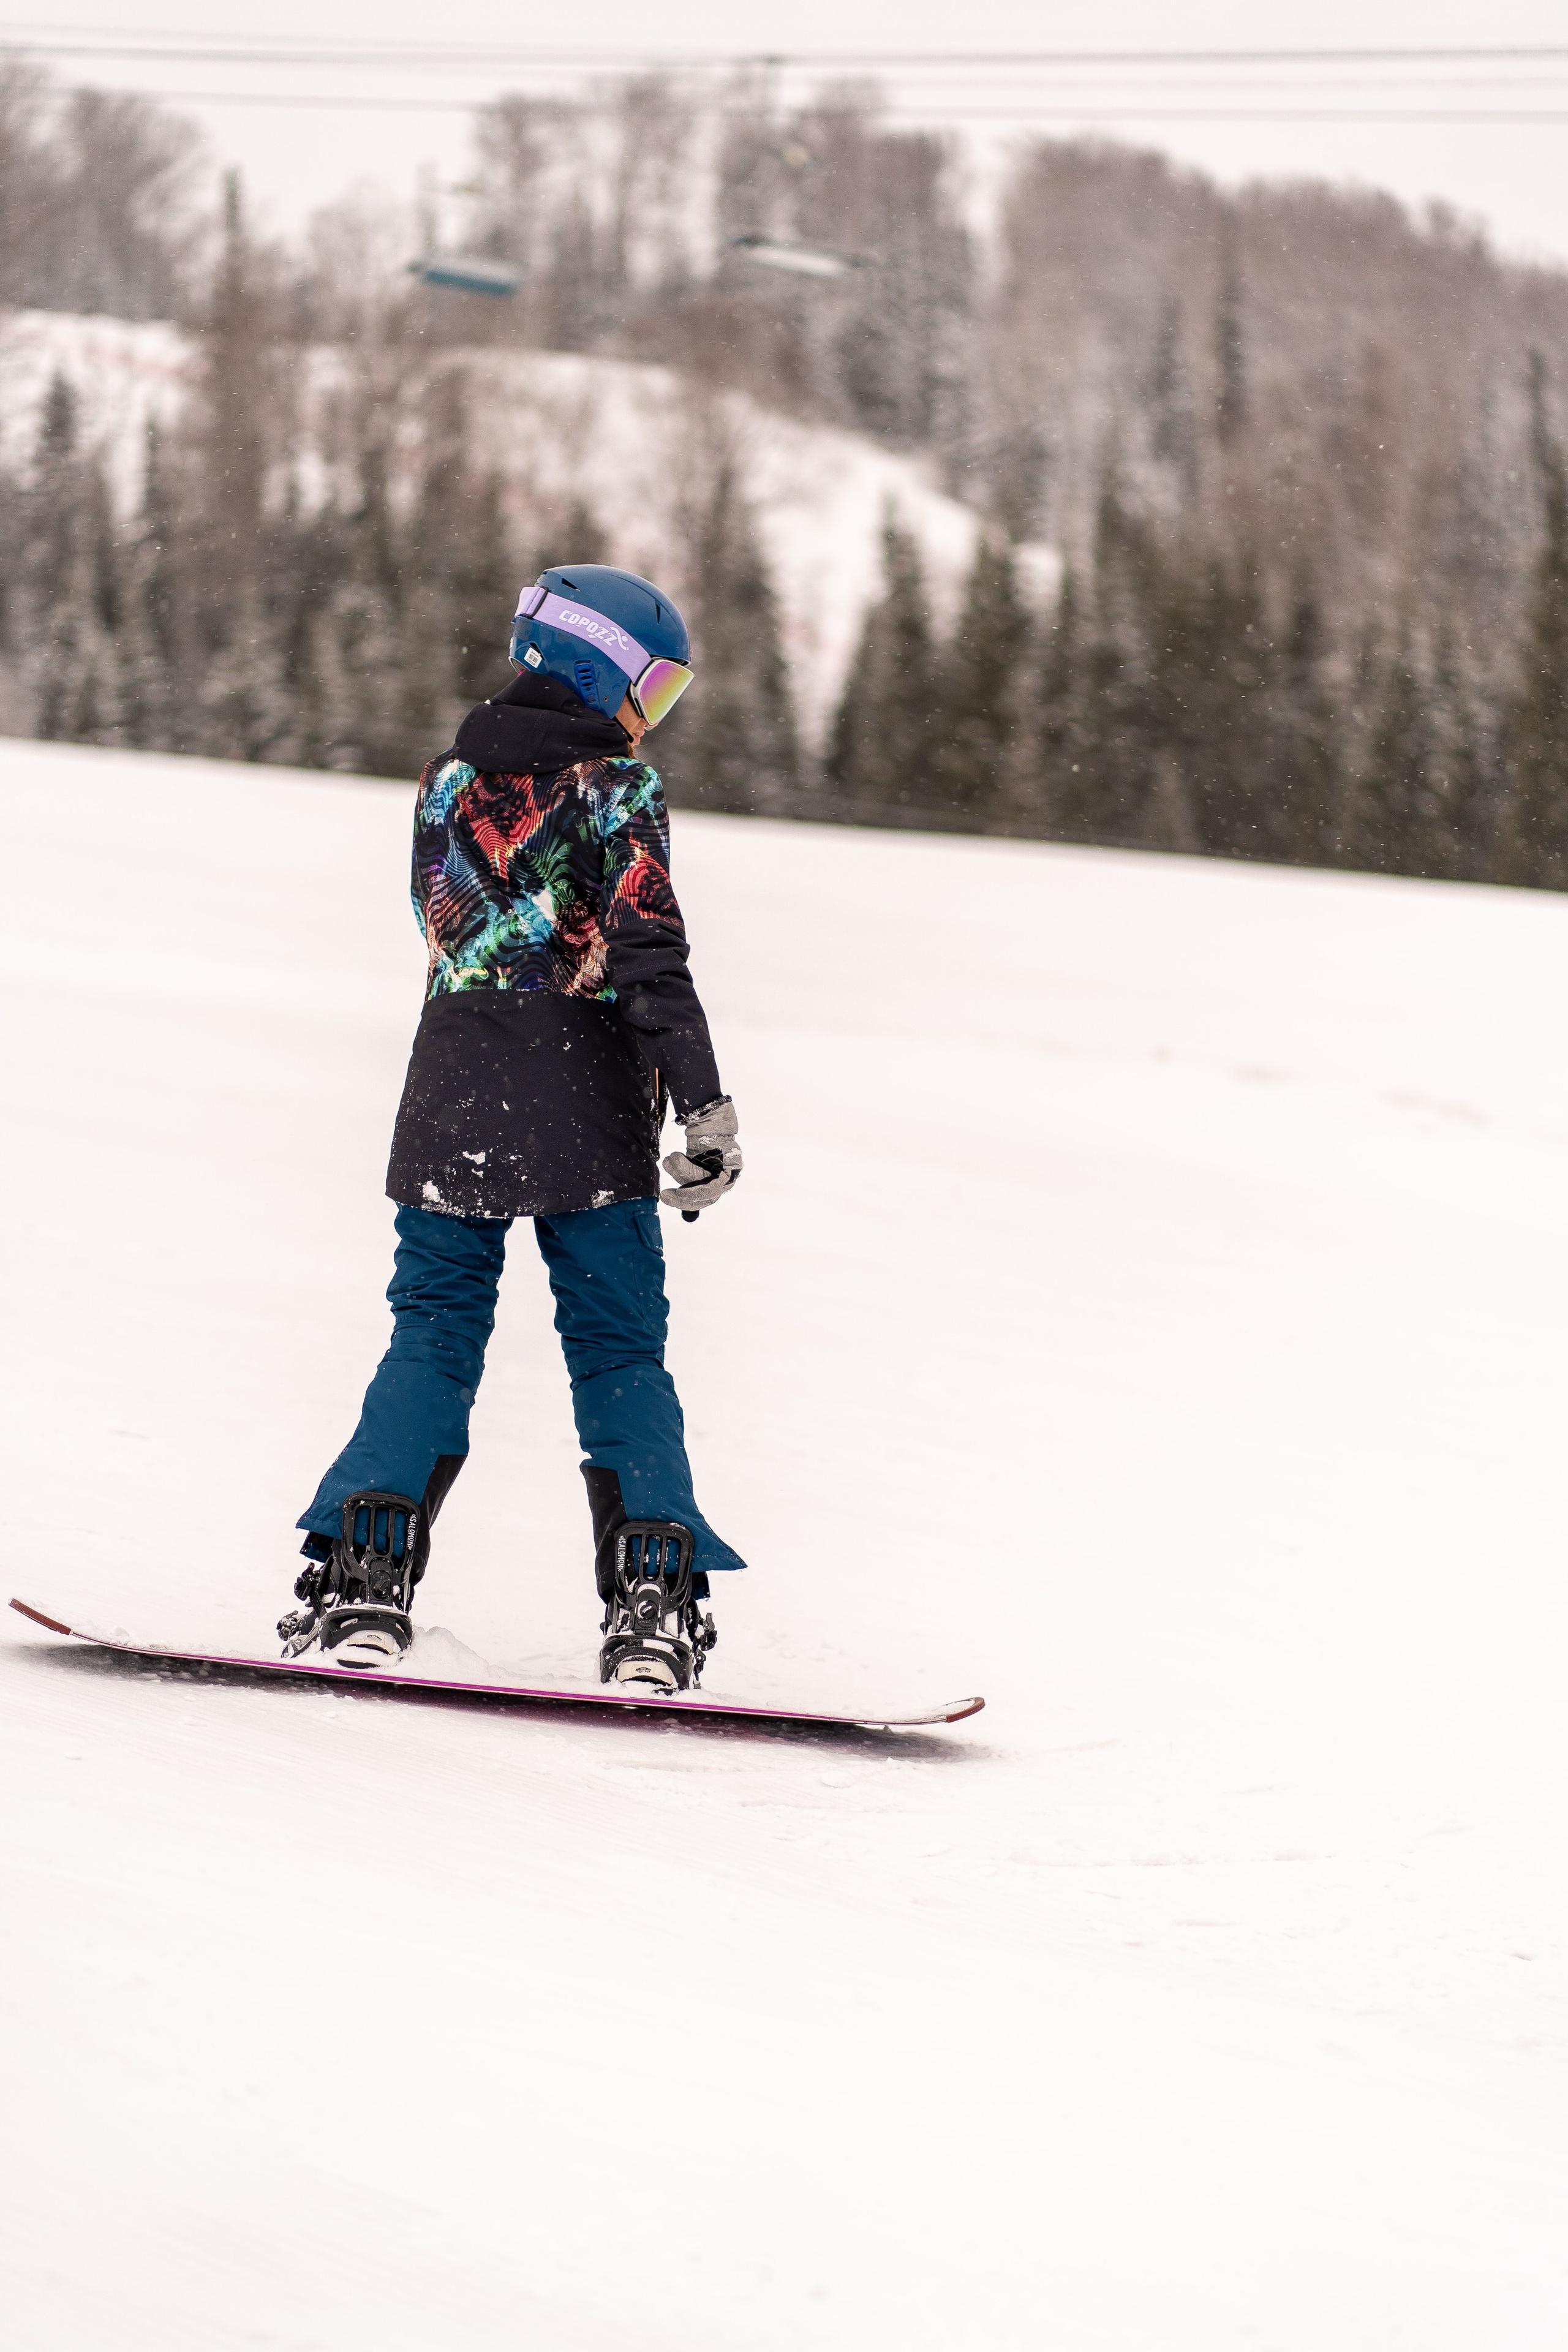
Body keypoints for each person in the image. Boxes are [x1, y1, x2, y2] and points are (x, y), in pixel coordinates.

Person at [277, 564, 745, 1691]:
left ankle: (362, 1583)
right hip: (586, 1095)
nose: (652, 711)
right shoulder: (616, 786)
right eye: (653, 685)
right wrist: (704, 1104)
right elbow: (647, 954)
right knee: (620, 1350)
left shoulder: (446, 781)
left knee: (432, 1332)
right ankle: (652, 1608)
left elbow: (435, 925)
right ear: (600, 668)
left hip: (450, 1085)